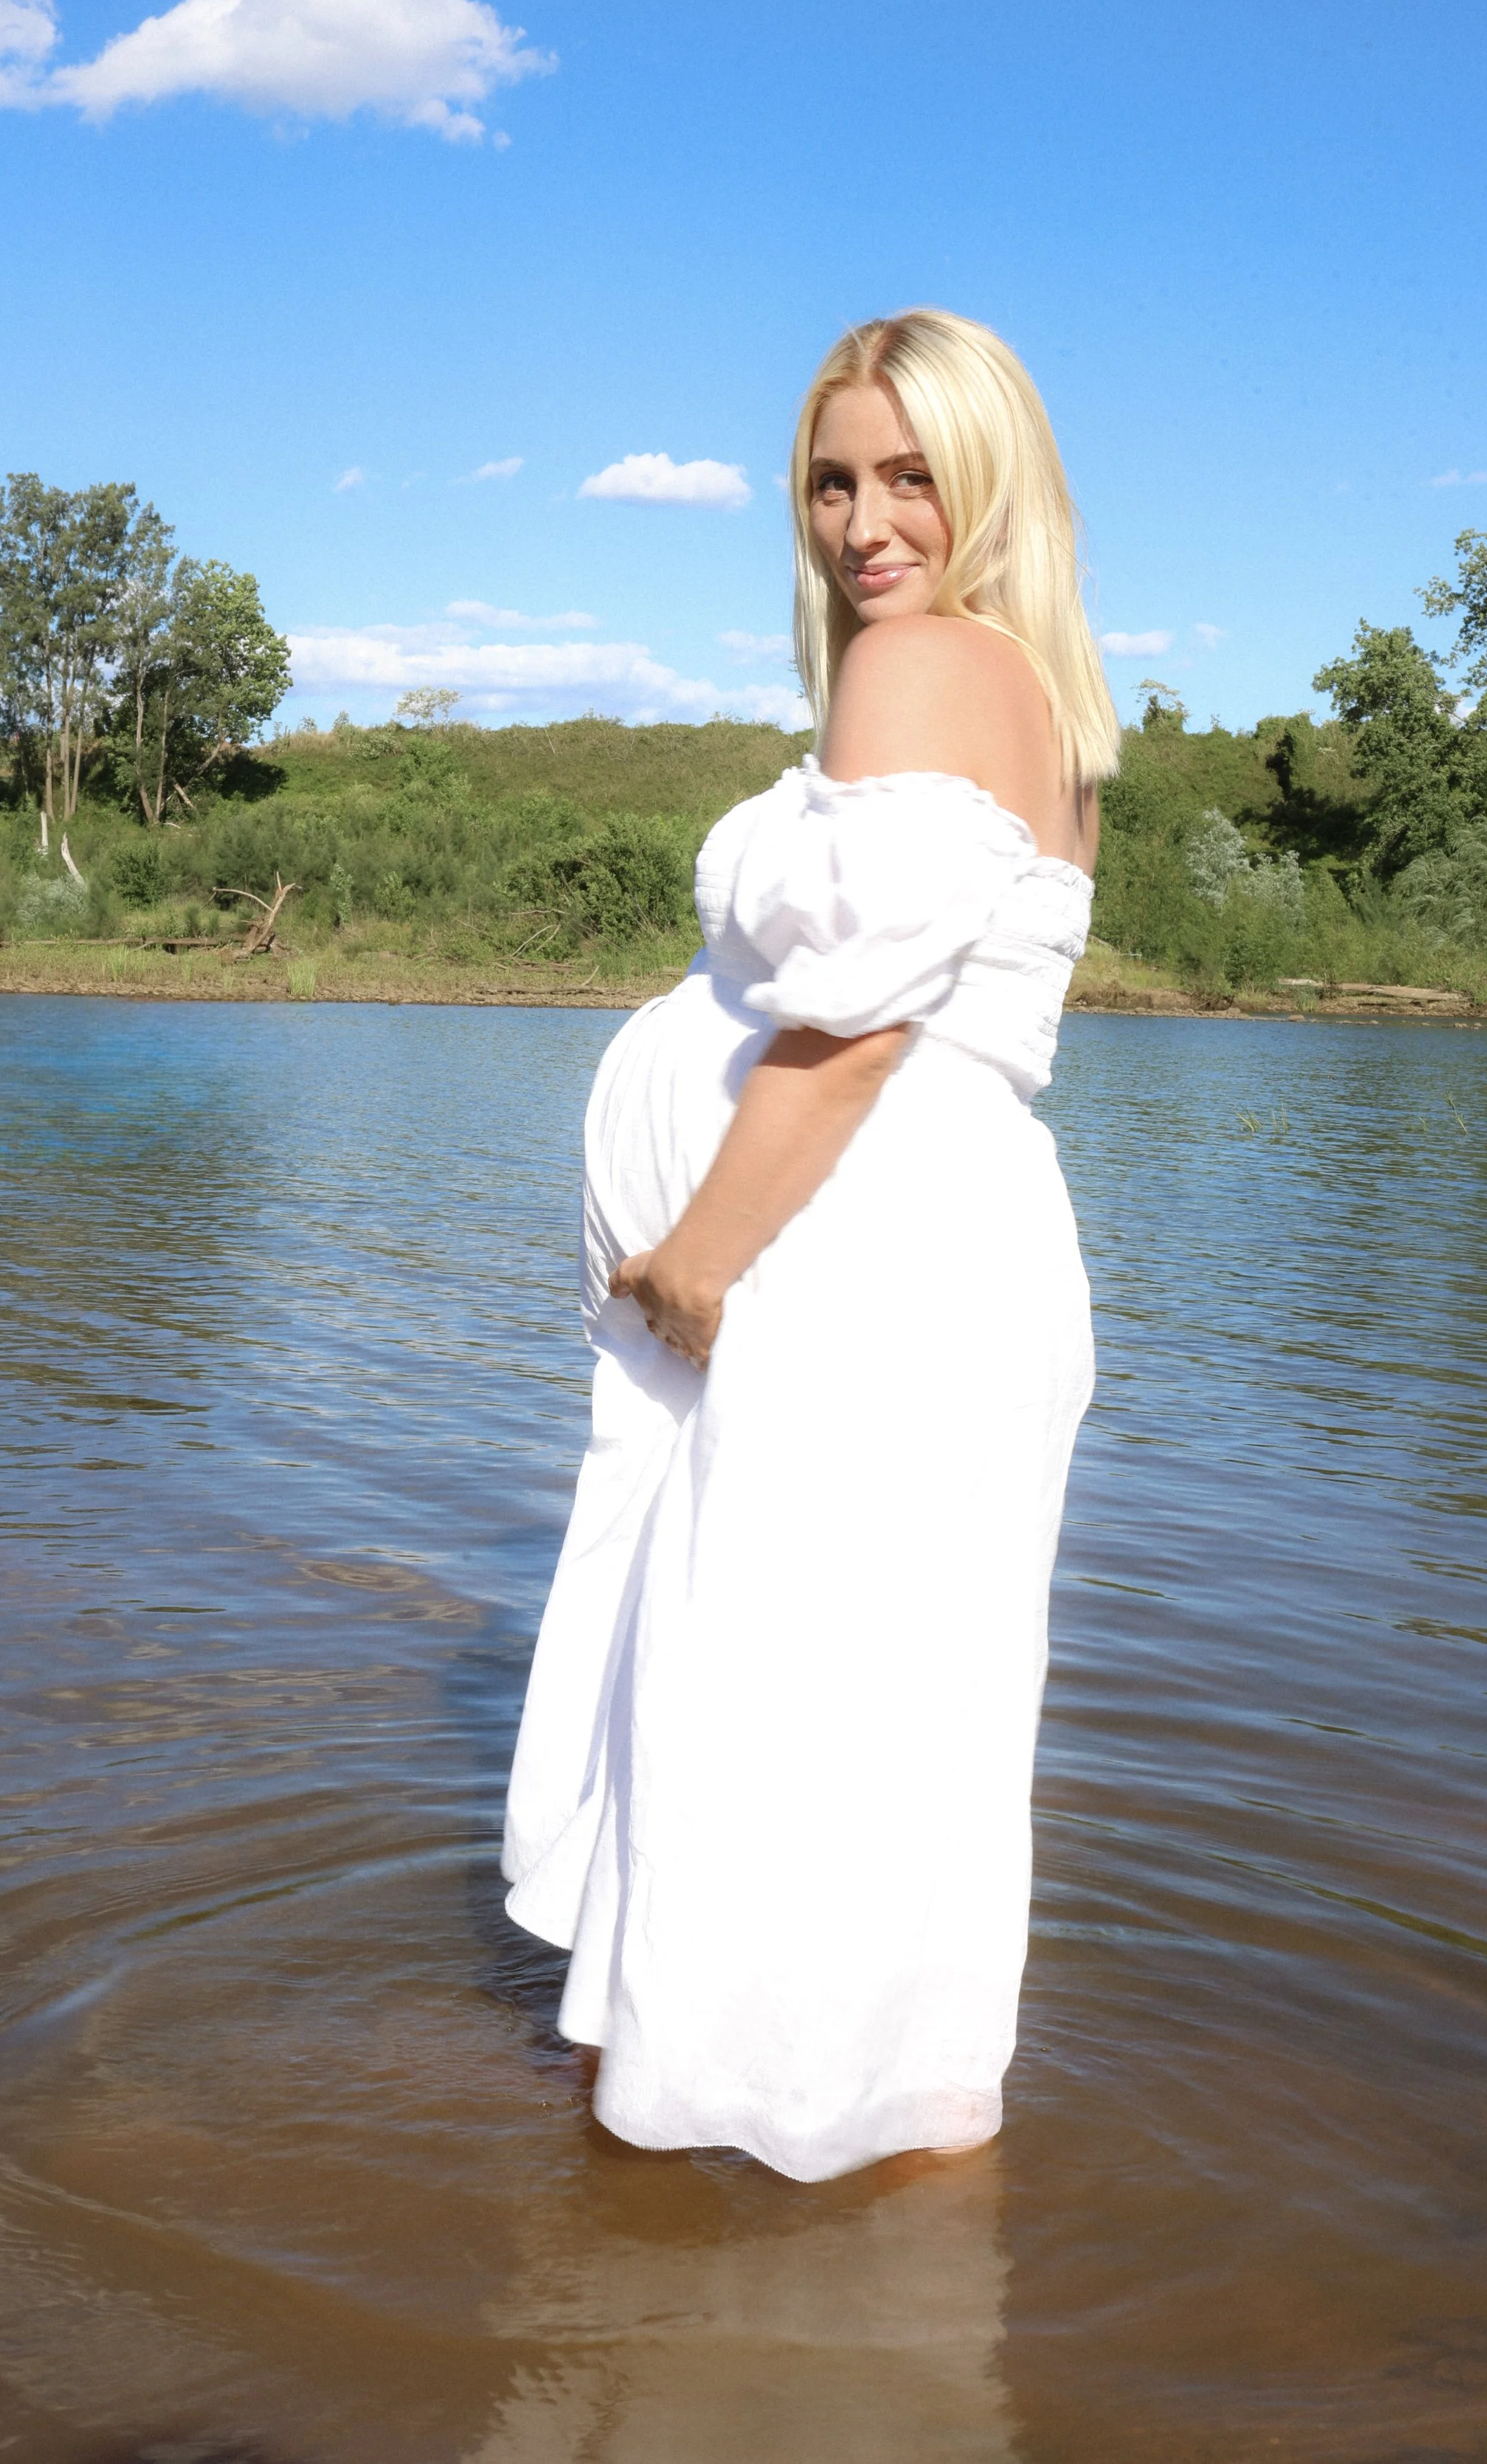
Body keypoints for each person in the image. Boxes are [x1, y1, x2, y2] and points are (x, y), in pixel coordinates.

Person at [501, 308, 1118, 2184]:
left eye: (911, 474)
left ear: (989, 479)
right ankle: (898, 2229)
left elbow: (845, 1028)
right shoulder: (1033, 691)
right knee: (882, 1738)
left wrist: (693, 1255)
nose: (866, 522)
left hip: (852, 1266)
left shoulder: (925, 665)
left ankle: (695, 2158)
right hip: (927, 1261)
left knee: (763, 1718)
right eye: (832, 480)